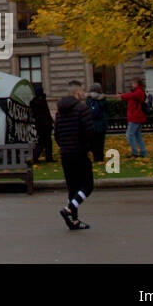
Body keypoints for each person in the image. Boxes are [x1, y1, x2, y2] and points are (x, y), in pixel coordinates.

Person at [54, 80, 95, 230]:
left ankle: (74, 220)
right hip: (79, 152)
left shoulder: (59, 111)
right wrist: (88, 148)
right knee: (88, 185)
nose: (83, 94)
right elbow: (89, 131)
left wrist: (64, 146)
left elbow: (57, 134)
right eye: (82, 91)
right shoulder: (82, 108)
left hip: (65, 153)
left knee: (73, 188)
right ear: (78, 92)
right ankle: (69, 209)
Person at [119, 78, 149, 159]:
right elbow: (130, 97)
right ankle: (143, 152)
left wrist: (121, 96)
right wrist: (122, 96)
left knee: (129, 135)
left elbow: (131, 96)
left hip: (135, 117)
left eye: (133, 83)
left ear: (137, 84)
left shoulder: (138, 92)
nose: (132, 85)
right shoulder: (138, 92)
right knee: (137, 135)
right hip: (137, 116)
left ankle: (135, 152)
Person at [29, 84, 54, 164]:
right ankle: (47, 157)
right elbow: (46, 112)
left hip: (39, 124)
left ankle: (36, 157)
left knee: (41, 142)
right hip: (45, 124)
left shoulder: (33, 102)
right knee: (47, 142)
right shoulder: (42, 100)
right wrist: (51, 121)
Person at [86, 84, 109, 165]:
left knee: (93, 141)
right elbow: (106, 110)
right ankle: (100, 157)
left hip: (92, 124)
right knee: (101, 141)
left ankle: (95, 156)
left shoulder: (89, 99)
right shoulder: (103, 99)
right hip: (102, 123)